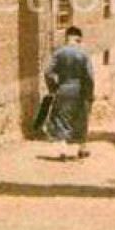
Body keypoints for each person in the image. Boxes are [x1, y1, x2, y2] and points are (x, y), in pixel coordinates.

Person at [44, 26, 95, 160]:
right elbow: (89, 76)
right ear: (79, 38)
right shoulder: (84, 54)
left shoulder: (58, 53)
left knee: (61, 118)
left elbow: (47, 72)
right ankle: (82, 149)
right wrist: (89, 94)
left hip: (63, 88)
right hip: (80, 90)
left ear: (66, 37)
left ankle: (64, 151)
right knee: (82, 118)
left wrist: (53, 87)